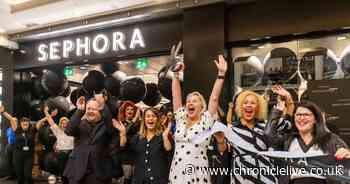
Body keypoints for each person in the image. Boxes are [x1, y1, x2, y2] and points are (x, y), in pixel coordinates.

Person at [215, 85, 294, 184]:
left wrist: (288, 98)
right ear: (240, 107)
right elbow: (223, 150)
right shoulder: (232, 130)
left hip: (266, 179)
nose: (249, 105)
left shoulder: (267, 126)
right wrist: (220, 140)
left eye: (253, 103)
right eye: (245, 103)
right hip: (241, 179)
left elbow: (288, 124)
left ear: (258, 108)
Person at [169, 54, 227, 184]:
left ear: (202, 106)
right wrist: (175, 74)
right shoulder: (181, 120)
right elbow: (176, 97)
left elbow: (214, 98)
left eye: (194, 101)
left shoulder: (205, 121)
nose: (190, 103)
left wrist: (221, 74)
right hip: (177, 173)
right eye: (188, 101)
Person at [265, 100, 350, 184]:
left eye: (306, 115)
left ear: (315, 120)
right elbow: (268, 135)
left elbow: (345, 163)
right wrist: (278, 110)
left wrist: (346, 154)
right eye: (298, 115)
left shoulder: (330, 139)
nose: (301, 118)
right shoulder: (288, 141)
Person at [63, 94, 126, 184]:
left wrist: (103, 106)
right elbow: (68, 131)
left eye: (94, 109)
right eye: (88, 108)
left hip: (99, 173)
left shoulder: (107, 125)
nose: (90, 111)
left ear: (100, 110)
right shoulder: (80, 123)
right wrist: (79, 110)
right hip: (77, 171)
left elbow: (112, 132)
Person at [118, 107, 173, 184]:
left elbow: (169, 151)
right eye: (148, 116)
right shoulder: (137, 138)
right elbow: (123, 147)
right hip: (139, 180)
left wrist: (165, 137)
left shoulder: (163, 136)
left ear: (157, 119)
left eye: (153, 116)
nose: (151, 118)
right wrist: (123, 134)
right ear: (144, 120)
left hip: (159, 180)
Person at [0, 105, 48, 184]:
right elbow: (11, 119)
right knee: (20, 176)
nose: (25, 123)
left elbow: (40, 122)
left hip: (28, 156)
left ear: (28, 124)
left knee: (28, 175)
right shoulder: (17, 130)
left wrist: (48, 116)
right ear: (21, 124)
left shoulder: (32, 130)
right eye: (23, 122)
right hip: (18, 155)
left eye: (26, 122)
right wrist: (3, 112)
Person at [43, 106, 74, 184]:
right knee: (63, 173)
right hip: (61, 155)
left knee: (70, 174)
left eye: (66, 123)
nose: (64, 125)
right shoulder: (58, 132)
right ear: (60, 124)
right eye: (62, 123)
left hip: (71, 155)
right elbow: (51, 121)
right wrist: (46, 112)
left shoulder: (72, 132)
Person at [117, 100, 141, 184]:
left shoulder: (138, 124)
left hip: (136, 155)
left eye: (132, 109)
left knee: (135, 179)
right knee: (127, 177)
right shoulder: (121, 123)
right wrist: (134, 120)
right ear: (124, 111)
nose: (130, 111)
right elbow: (125, 131)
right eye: (128, 109)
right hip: (125, 155)